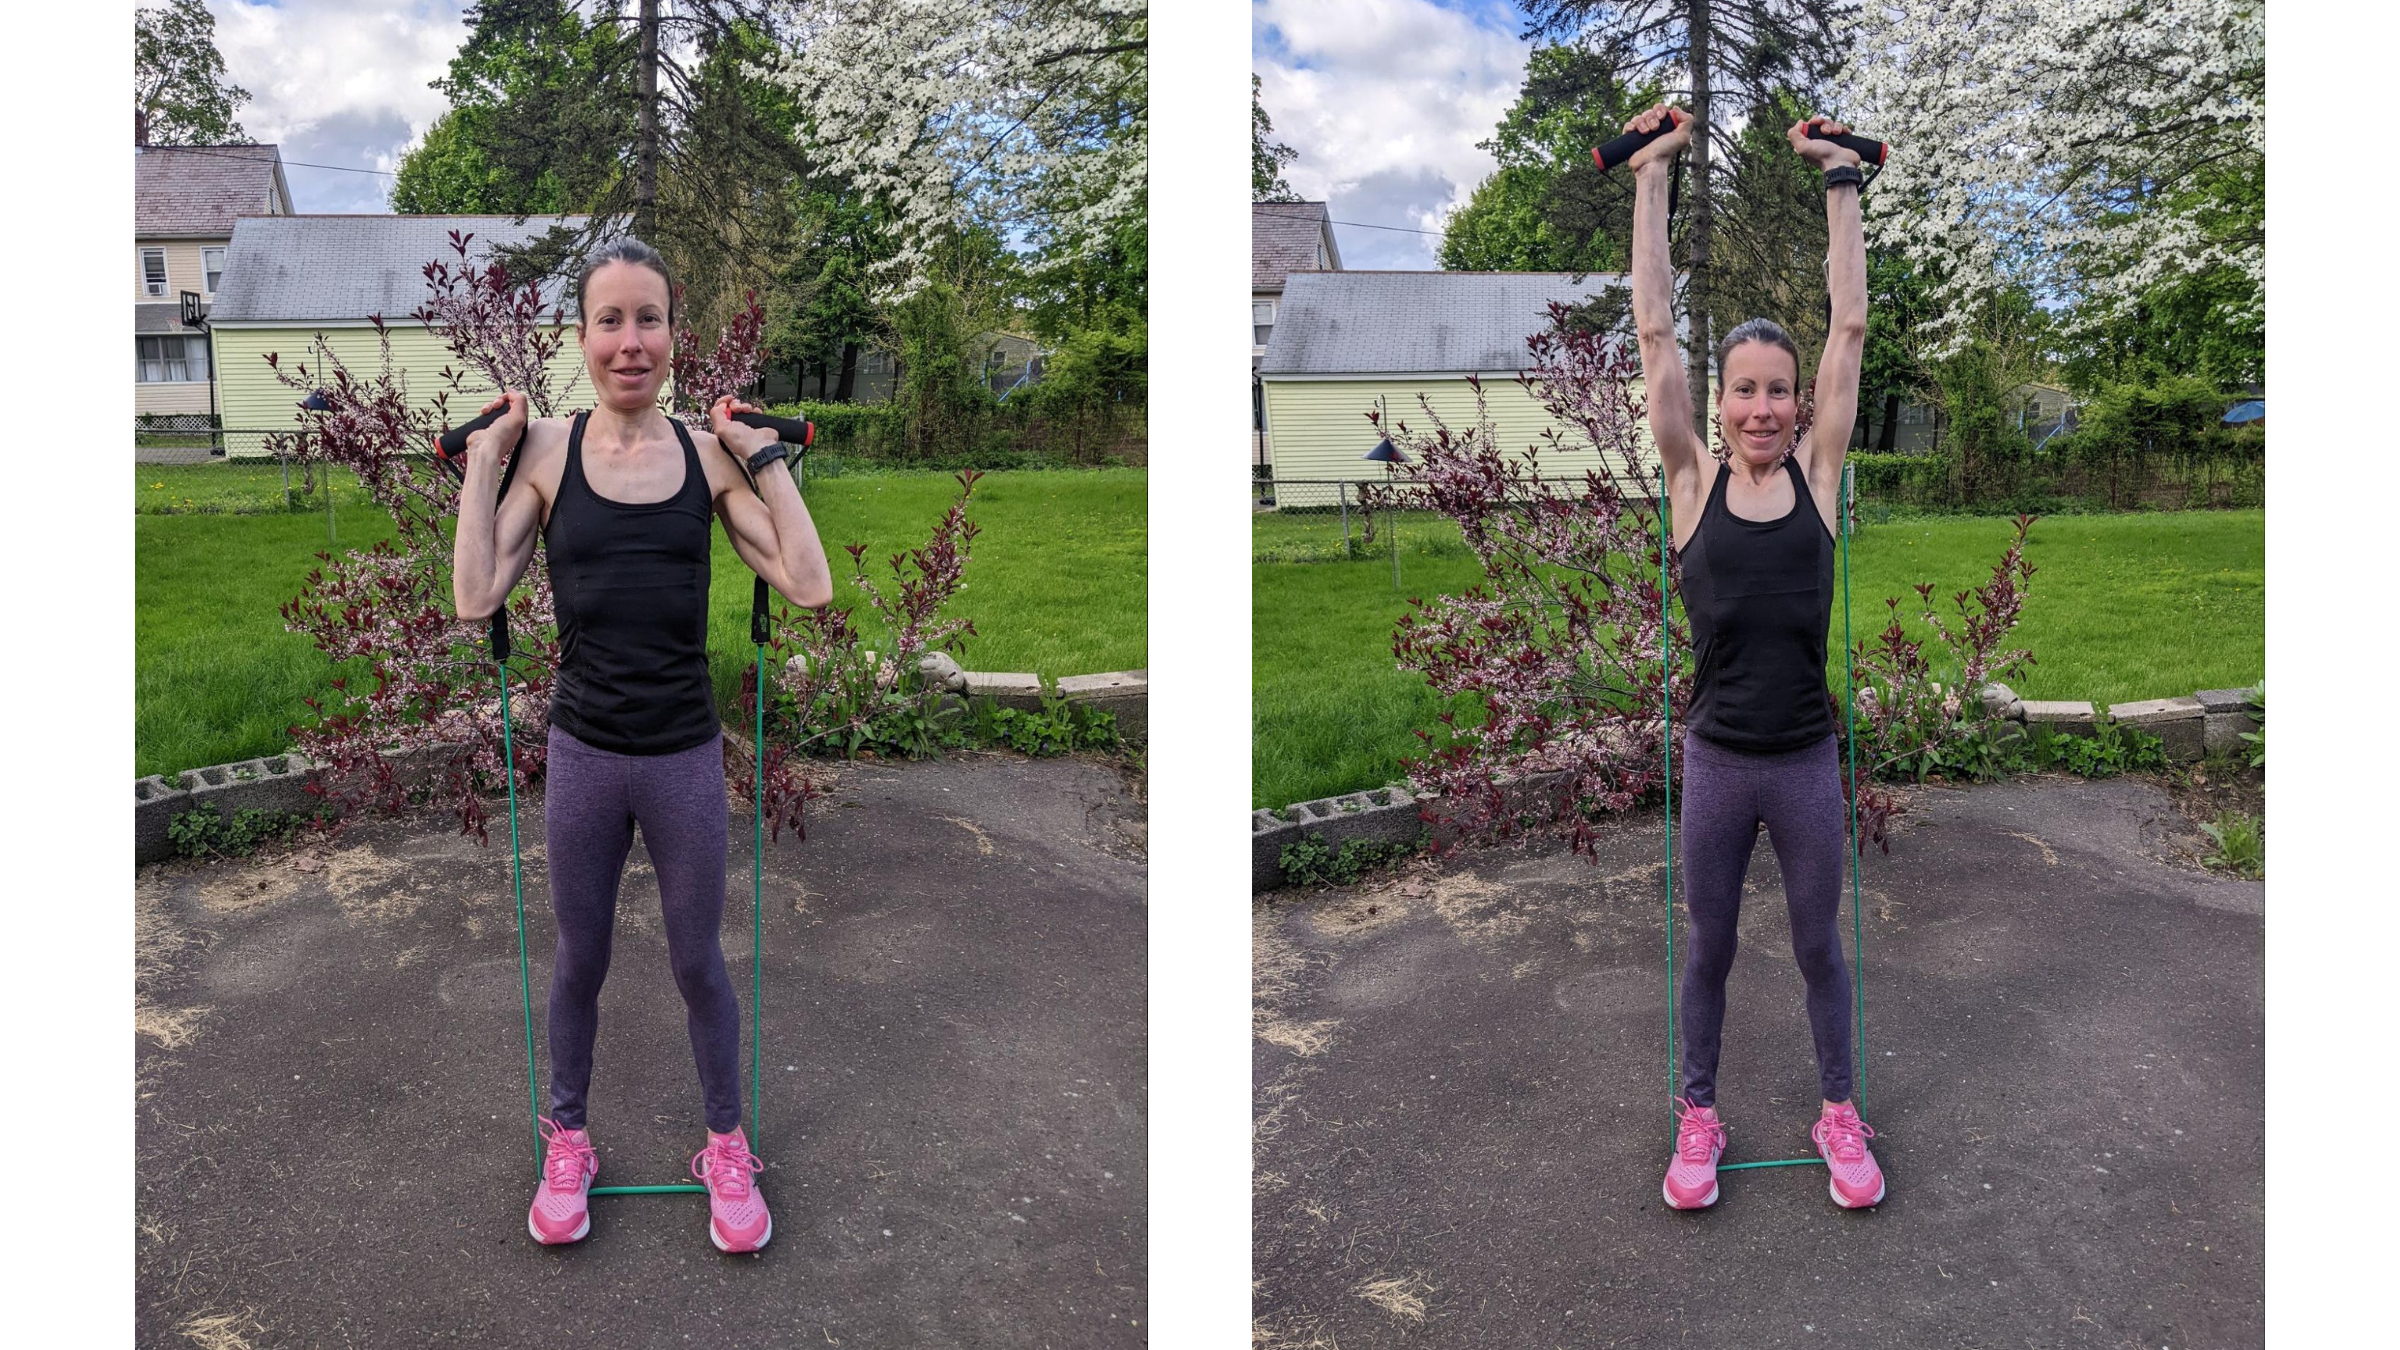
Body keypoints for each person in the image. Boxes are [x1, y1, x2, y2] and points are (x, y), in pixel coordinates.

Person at [450, 237, 835, 1251]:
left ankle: (727, 1147)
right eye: (610, 321)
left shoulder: (706, 460)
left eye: (648, 319)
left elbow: (808, 581)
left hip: (680, 759)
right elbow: (474, 594)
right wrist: (486, 457)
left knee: (699, 961)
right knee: (579, 959)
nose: (631, 341)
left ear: (673, 335)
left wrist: (763, 455)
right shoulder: (546, 453)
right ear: (581, 338)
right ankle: (567, 1139)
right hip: (584, 753)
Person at [1619, 105, 1885, 1211]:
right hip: (1722, 759)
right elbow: (1651, 334)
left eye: (1781, 388)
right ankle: (1698, 1116)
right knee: (1710, 950)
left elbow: (1851, 331)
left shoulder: (1821, 473)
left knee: (1822, 947)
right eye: (1748, 390)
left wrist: (1841, 183)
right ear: (1718, 405)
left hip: (1805, 758)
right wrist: (1650, 175)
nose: (1767, 406)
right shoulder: (1691, 482)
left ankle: (1837, 1112)